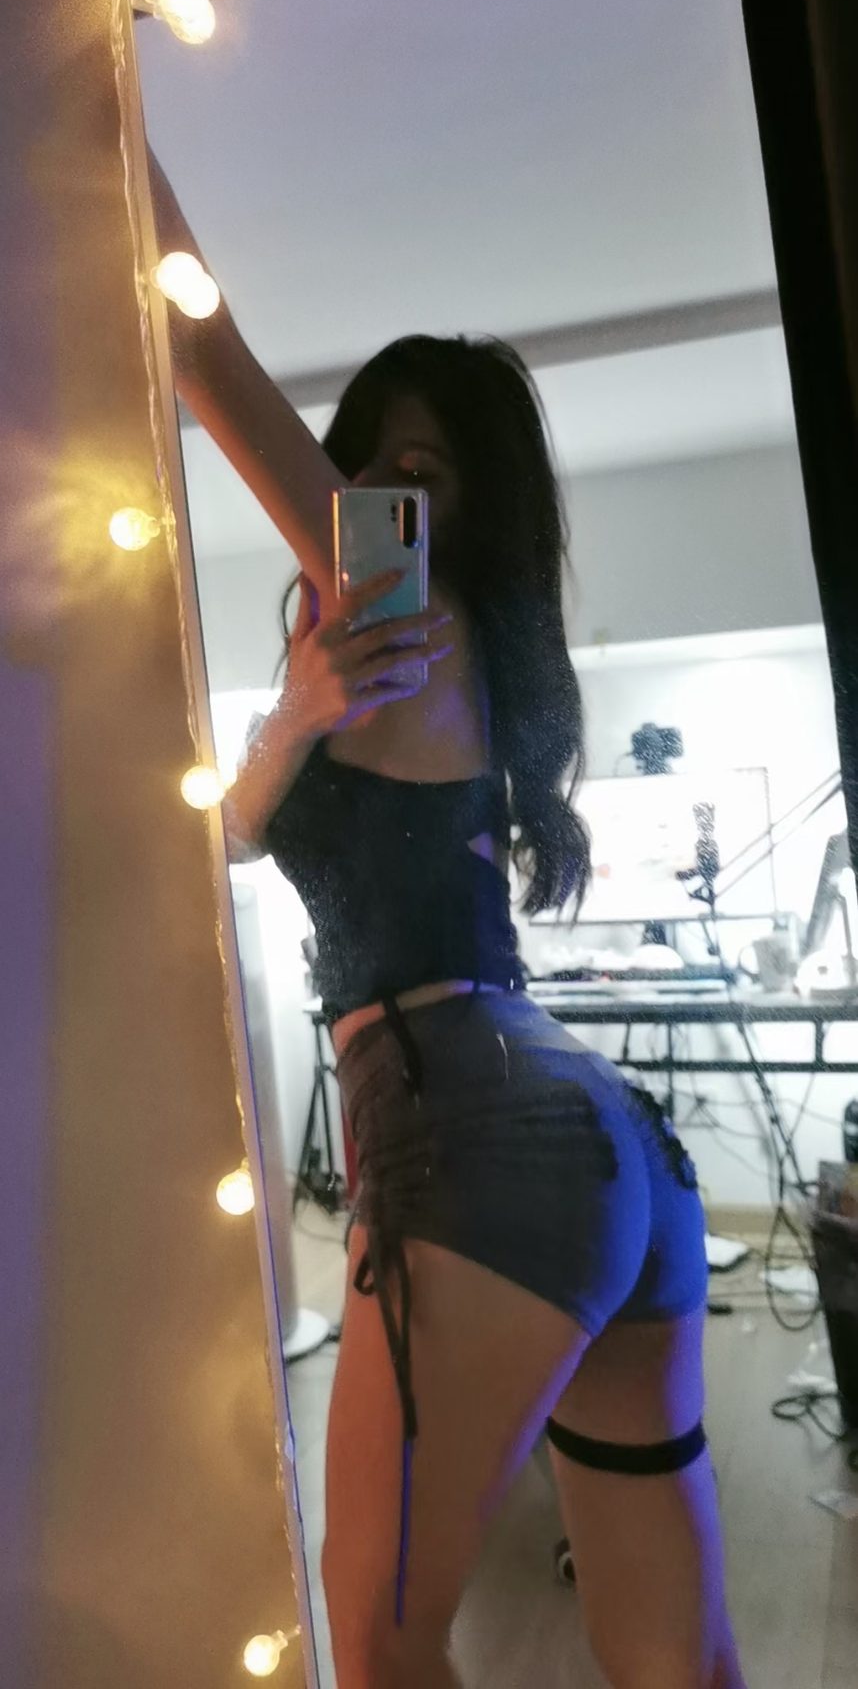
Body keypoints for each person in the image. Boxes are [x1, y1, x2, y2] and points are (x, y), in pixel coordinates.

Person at [152, 160, 746, 1689]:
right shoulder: (402, 674)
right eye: (369, 464)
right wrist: (291, 720)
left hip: (472, 1128)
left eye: (420, 476)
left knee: (378, 1636)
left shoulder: (408, 617)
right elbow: (226, 834)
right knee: (673, 1653)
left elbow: (199, 344)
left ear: (463, 513)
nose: (380, 501)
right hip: (608, 1150)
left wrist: (93, 104)